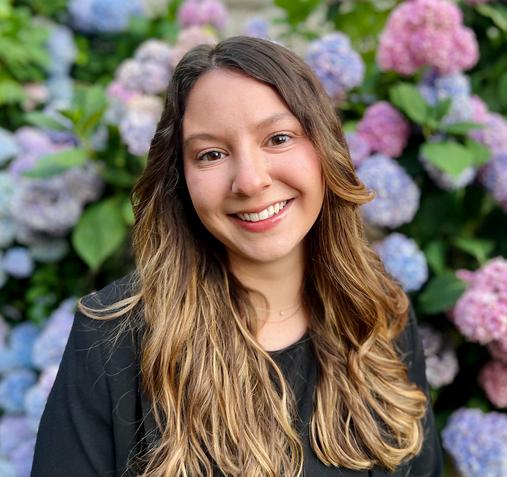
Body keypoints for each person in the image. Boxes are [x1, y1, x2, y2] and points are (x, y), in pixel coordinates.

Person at [31, 36, 443, 477]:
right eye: (211, 154)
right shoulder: (111, 341)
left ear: (326, 148)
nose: (249, 181)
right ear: (180, 178)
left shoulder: (378, 315)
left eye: (278, 138)